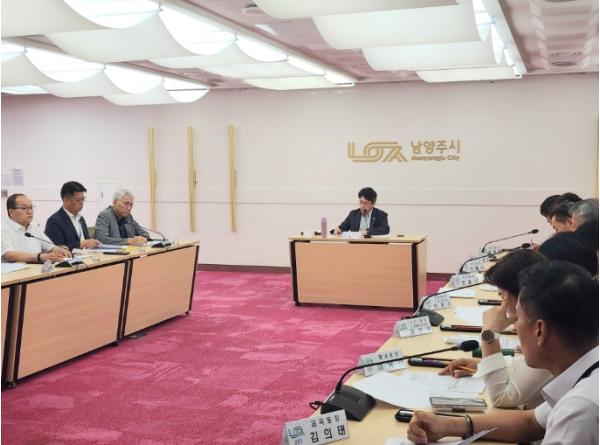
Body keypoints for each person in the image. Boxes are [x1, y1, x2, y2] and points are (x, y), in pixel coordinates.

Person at [408, 261, 598, 445]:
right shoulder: (585, 371)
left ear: (539, 331)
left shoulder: (579, 411)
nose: (514, 325)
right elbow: (531, 423)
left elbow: (506, 400)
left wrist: (489, 334)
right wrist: (450, 425)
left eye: (518, 317)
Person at [440, 250, 552, 409]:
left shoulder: (547, 334)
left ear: (520, 295)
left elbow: (501, 399)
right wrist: (482, 365)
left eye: (501, 295)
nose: (502, 304)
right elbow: (527, 367)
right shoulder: (551, 318)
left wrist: (489, 335)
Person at [1, 193, 71, 263]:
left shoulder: (34, 227)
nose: (29, 211)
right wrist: (39, 257)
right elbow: (9, 255)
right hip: (15, 269)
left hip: (36, 269)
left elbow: (50, 247)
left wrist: (60, 251)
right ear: (11, 212)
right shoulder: (3, 228)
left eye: (31, 208)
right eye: (24, 208)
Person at [45, 181, 101, 251]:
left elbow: (86, 240)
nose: (81, 203)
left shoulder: (81, 219)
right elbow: (58, 249)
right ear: (65, 200)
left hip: (88, 256)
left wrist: (92, 243)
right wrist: (81, 244)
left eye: (83, 199)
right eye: (78, 200)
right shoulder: (54, 221)